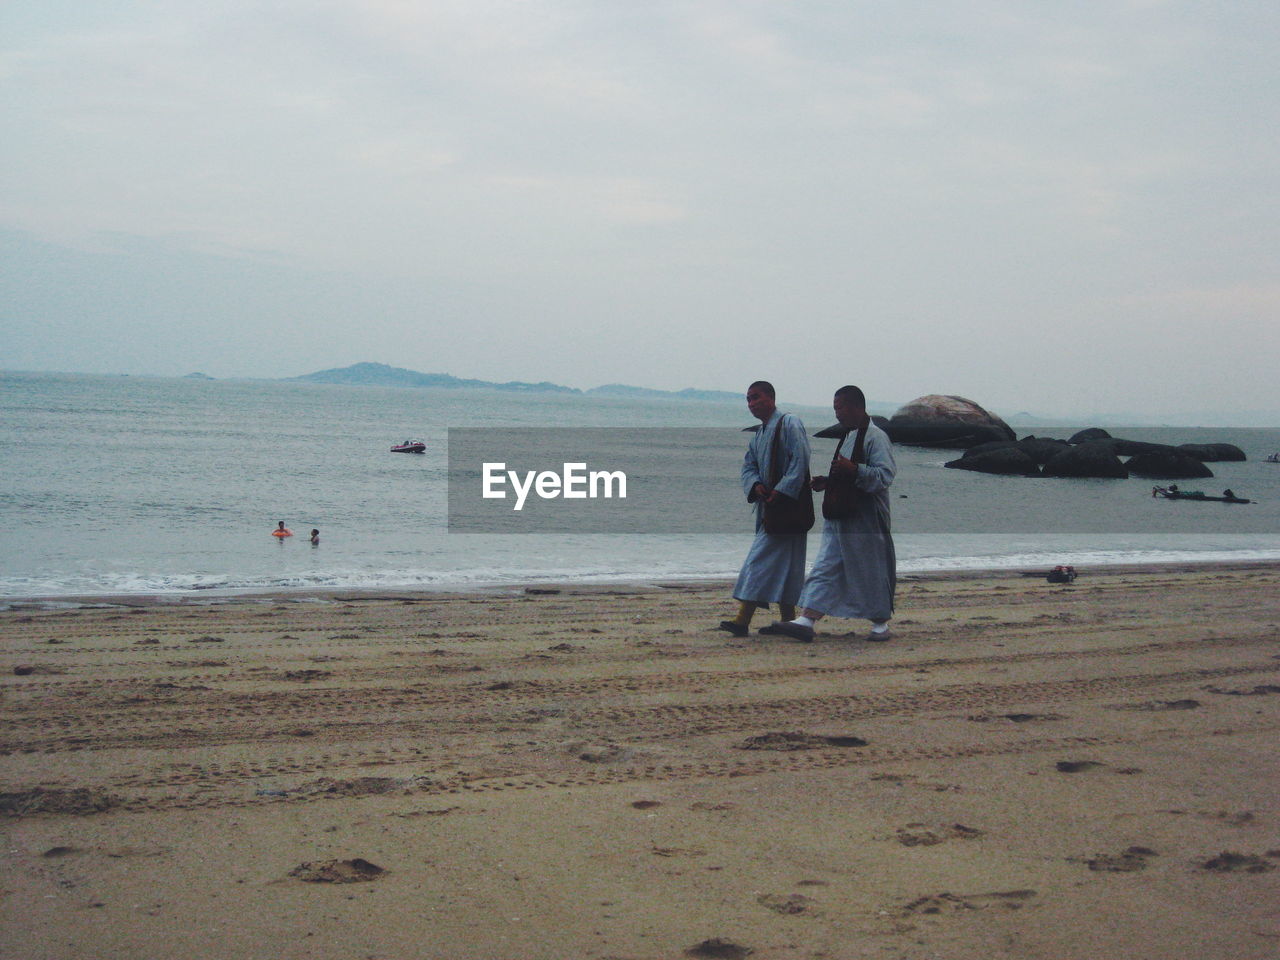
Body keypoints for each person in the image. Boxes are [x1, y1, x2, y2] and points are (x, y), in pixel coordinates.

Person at [762, 385, 896, 642]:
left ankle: (880, 625)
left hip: (865, 521)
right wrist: (828, 481)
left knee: (870, 569)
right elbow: (846, 473)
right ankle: (806, 619)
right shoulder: (849, 436)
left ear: (857, 406)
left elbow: (884, 476)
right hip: (840, 518)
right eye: (835, 408)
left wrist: (855, 470)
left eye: (840, 408)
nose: (837, 414)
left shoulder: (875, 437)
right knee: (825, 565)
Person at [717, 381, 811, 637]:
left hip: (787, 507)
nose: (751, 404)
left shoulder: (790, 423)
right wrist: (756, 485)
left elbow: (800, 461)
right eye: (748, 399)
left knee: (759, 561)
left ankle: (742, 619)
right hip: (770, 508)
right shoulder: (759, 433)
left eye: (755, 397)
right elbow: (748, 467)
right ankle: (788, 620)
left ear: (771, 397)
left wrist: (781, 490)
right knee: (786, 565)